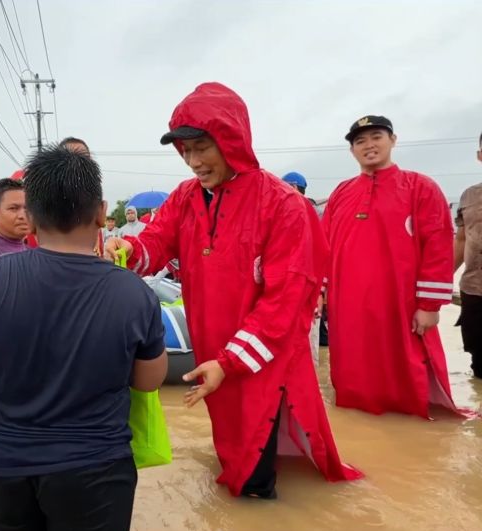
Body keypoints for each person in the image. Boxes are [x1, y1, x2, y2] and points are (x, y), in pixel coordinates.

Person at [105, 82, 361, 498]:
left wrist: (229, 362)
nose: (193, 161)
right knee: (231, 441)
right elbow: (155, 242)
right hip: (211, 354)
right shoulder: (186, 198)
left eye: (202, 146)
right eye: (185, 150)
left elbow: (286, 300)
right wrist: (127, 248)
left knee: (254, 469)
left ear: (231, 138)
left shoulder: (283, 205)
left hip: (263, 358)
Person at [0, 145, 168, 531]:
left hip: (6, 464)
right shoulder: (133, 292)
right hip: (98, 469)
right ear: (100, 212)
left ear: (32, 212)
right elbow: (148, 380)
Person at [322, 116, 467, 417]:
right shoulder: (340, 194)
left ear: (393, 140)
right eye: (360, 141)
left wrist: (430, 305)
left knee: (407, 375)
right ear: (352, 151)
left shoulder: (421, 187)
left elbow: (438, 246)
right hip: (348, 307)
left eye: (376, 137)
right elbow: (322, 248)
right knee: (353, 375)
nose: (369, 145)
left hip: (400, 304)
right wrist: (322, 295)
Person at [282, 171, 324, 365]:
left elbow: (319, 255)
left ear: (294, 187)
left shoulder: (308, 212)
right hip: (287, 290)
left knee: (305, 352)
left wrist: (320, 293)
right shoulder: (284, 211)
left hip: (307, 290)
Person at [453, 132, 482, 379]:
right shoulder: (469, 196)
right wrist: (441, 280)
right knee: (479, 361)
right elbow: (461, 240)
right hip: (474, 289)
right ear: (480, 156)